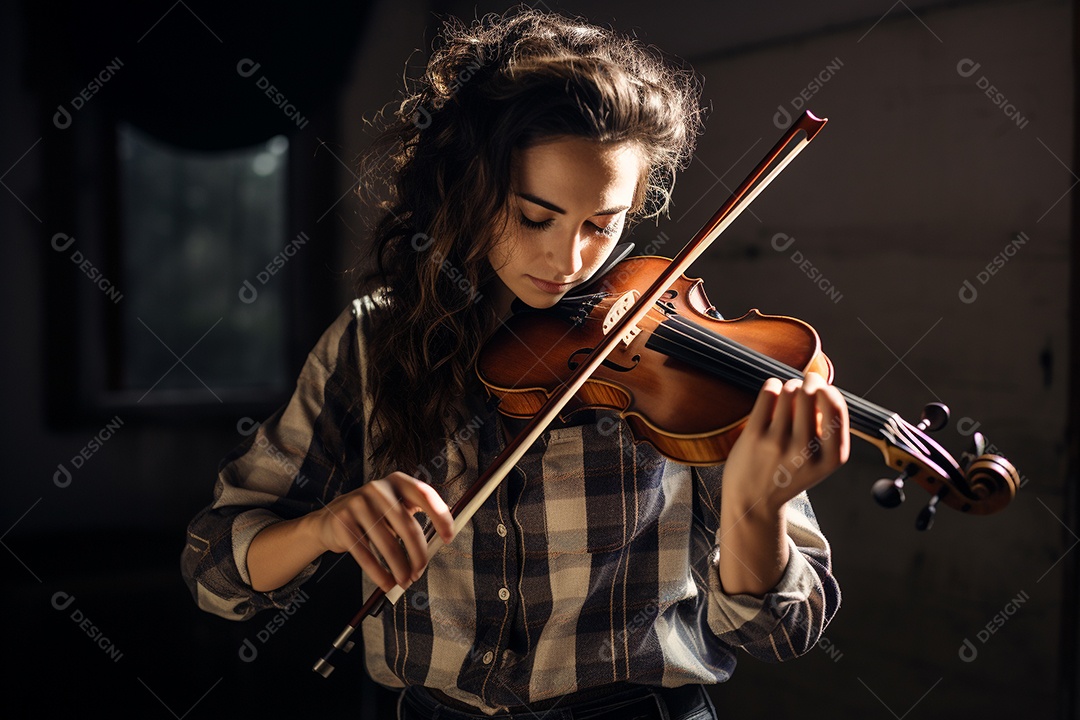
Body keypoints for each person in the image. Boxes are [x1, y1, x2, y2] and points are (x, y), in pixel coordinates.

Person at [181, 7, 848, 719]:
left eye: (603, 224)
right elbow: (215, 572)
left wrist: (756, 510)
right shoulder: (370, 345)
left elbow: (784, 630)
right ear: (466, 186)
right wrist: (322, 528)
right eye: (536, 218)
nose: (569, 260)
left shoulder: (683, 361)